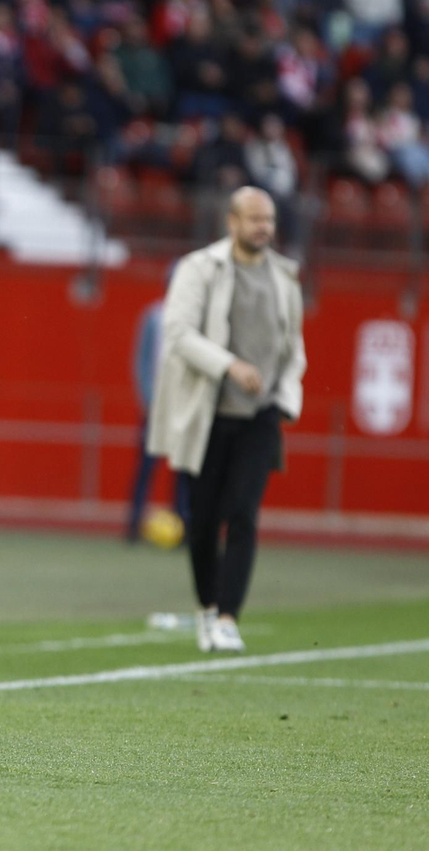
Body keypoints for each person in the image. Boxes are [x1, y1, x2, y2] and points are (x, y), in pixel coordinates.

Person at [147, 187, 306, 654]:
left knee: (243, 514)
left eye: (270, 219)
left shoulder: (285, 277)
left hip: (260, 415)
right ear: (231, 221)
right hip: (208, 412)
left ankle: (229, 616)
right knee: (203, 521)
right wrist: (230, 365)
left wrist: (284, 398)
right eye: (255, 219)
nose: (264, 228)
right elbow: (179, 332)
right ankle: (207, 607)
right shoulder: (199, 269)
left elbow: (293, 347)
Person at [123, 290, 190, 543]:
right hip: (156, 407)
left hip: (183, 409)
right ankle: (134, 524)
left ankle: (184, 525)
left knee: (184, 470)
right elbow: (142, 361)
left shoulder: (196, 318)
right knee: (146, 467)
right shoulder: (154, 316)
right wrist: (148, 399)